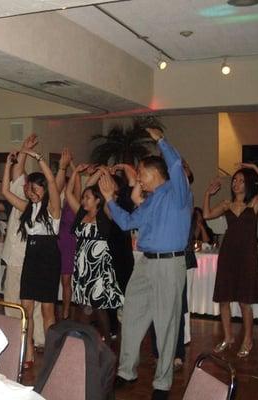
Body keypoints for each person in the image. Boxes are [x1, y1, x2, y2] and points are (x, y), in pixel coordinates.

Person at [99, 127, 192, 400]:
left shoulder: (178, 192)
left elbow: (174, 164)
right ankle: (127, 372)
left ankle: (162, 384)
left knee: (166, 324)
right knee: (129, 315)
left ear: (156, 173)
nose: (138, 178)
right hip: (146, 264)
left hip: (168, 265)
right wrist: (108, 199)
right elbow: (128, 222)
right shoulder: (151, 201)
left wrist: (161, 140)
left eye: (141, 173)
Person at [204, 163, 258, 357]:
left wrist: (253, 166)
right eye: (235, 180)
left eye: (241, 181)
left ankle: (248, 339)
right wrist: (208, 194)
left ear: (248, 184)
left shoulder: (254, 203)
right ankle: (228, 337)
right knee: (223, 299)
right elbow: (207, 215)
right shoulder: (226, 204)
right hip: (228, 255)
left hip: (247, 256)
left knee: (244, 302)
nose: (236, 183)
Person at [2, 148, 61, 369]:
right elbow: (6, 192)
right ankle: (27, 355)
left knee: (47, 311)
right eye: (30, 188)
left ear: (43, 189)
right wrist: (8, 165)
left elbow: (53, 184)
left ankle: (52, 354)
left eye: (35, 188)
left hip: (48, 259)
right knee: (25, 309)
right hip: (31, 257)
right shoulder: (28, 208)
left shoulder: (53, 209)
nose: (31, 191)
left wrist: (38, 158)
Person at [65, 164, 123, 344]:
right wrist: (74, 172)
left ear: (98, 200)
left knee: (98, 306)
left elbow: (112, 192)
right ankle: (84, 342)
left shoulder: (105, 213)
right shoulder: (80, 213)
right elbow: (68, 194)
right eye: (83, 198)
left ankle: (106, 342)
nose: (83, 200)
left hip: (98, 266)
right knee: (84, 305)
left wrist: (104, 173)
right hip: (83, 266)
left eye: (87, 198)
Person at [1, 134, 45, 351]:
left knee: (22, 301)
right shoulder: (23, 192)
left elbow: (8, 186)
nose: (28, 187)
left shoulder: (33, 205)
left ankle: (33, 339)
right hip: (17, 256)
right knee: (19, 300)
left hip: (25, 257)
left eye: (34, 186)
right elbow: (18, 173)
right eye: (28, 185)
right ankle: (27, 338)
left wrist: (24, 153)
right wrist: (24, 151)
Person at [55, 148, 79, 320]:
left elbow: (78, 183)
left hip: (69, 242)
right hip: (56, 241)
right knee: (53, 278)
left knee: (66, 281)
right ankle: (54, 308)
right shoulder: (55, 198)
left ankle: (66, 310)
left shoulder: (74, 201)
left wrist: (72, 165)